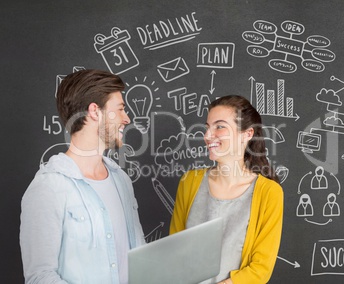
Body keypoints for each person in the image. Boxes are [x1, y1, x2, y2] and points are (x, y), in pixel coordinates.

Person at [20, 69, 145, 284]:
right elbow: (39, 277)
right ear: (95, 112)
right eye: (121, 109)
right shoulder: (48, 187)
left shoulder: (121, 180)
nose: (127, 119)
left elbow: (140, 257)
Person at [170, 95, 284, 284]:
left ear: (247, 134)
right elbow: (174, 249)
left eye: (219, 126)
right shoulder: (189, 181)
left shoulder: (269, 193)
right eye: (207, 127)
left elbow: (261, 268)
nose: (207, 136)